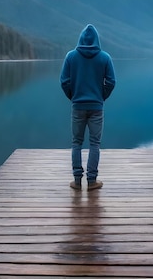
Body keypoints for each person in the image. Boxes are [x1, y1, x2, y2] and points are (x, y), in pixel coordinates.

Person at [60, 24, 116, 191]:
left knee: (76, 143)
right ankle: (92, 181)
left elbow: (64, 82)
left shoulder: (71, 56)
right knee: (94, 144)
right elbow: (111, 82)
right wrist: (101, 97)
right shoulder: (105, 57)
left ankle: (77, 181)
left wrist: (73, 96)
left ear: (81, 38)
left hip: (78, 106)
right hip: (96, 108)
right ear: (97, 40)